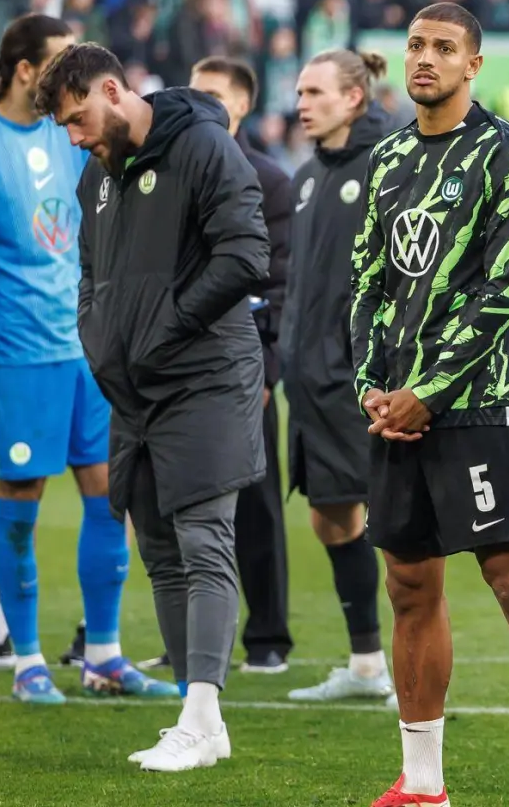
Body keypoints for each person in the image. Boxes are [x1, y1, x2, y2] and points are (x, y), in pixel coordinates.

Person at [0, 14, 172, 704]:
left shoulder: (73, 132)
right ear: (27, 70)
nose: (77, 71)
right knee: (20, 506)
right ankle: (26, 661)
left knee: (107, 501)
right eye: (63, 61)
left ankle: (105, 657)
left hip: (90, 349)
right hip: (19, 354)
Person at [349, 2, 509, 807]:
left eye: (444, 47)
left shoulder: (508, 153)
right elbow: (368, 281)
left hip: (479, 403)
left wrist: (429, 392)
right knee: (409, 586)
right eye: (415, 45)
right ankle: (422, 781)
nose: (425, 59)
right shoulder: (387, 159)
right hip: (395, 411)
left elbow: (502, 288)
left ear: (473, 64)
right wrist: (371, 388)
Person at [36, 43, 270, 771]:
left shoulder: (204, 146)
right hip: (135, 387)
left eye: (78, 119)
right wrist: (100, 340)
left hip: (205, 375)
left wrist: (165, 330)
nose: (74, 137)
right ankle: (198, 716)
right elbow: (88, 272)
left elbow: (246, 257)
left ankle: (201, 718)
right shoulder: (96, 178)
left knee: (204, 538)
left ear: (113, 89)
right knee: (160, 546)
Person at [280, 48, 395, 703]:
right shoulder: (305, 177)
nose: (302, 104)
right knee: (330, 518)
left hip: (361, 379)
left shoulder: (389, 165)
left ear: (353, 98)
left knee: (395, 526)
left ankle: (412, 672)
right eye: (299, 92)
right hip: (310, 380)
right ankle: (365, 666)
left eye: (315, 92)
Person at [188, 54, 297, 674]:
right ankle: (192, 637)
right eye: (194, 91)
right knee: (177, 501)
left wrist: (267, 369)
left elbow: (280, 285)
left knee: (257, 502)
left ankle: (268, 635)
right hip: (182, 365)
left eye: (214, 94)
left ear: (242, 104)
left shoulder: (270, 180)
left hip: (245, 367)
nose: (201, 102)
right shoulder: (173, 169)